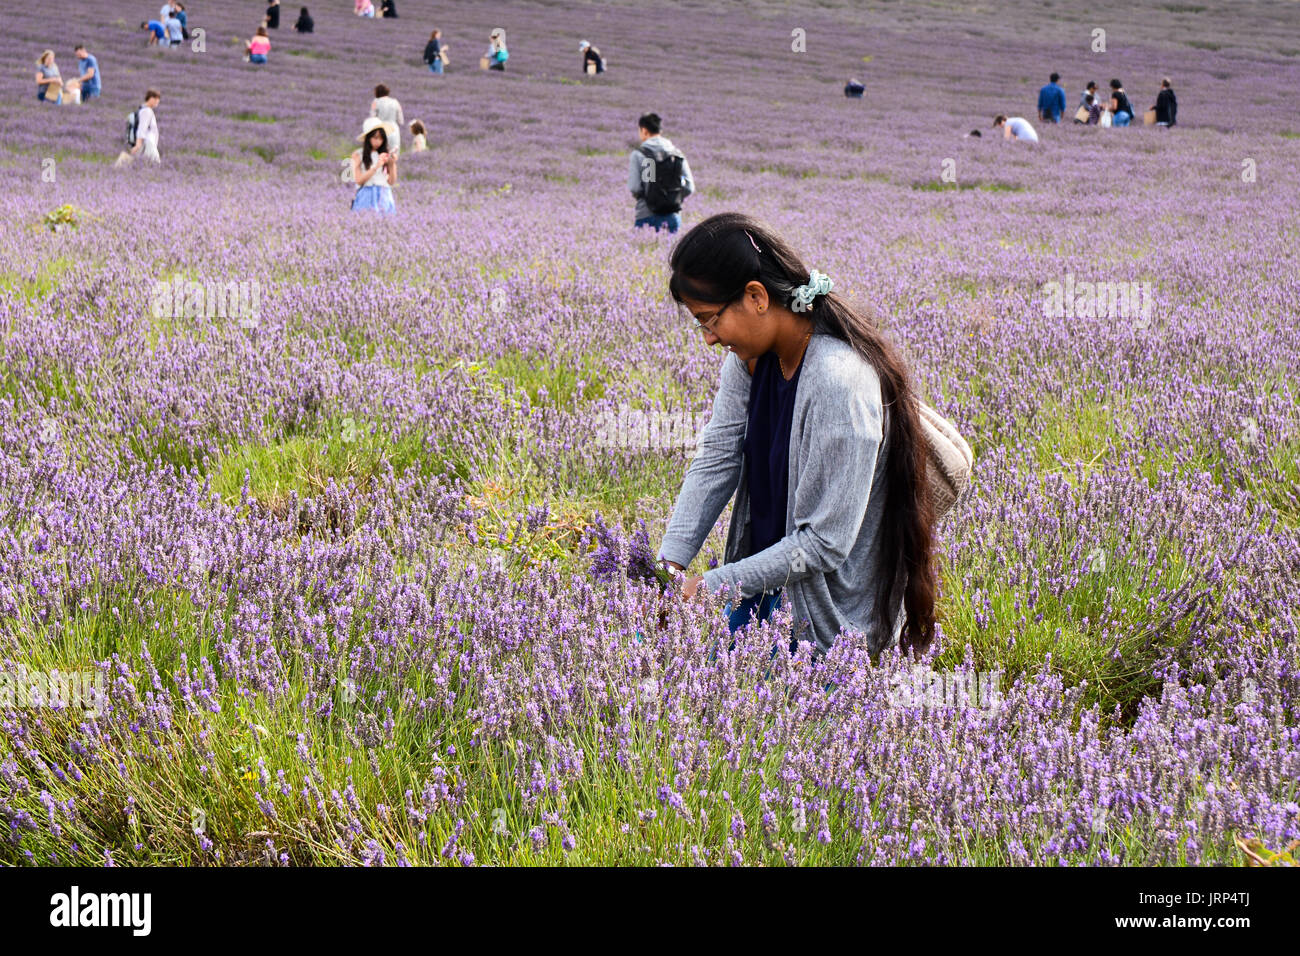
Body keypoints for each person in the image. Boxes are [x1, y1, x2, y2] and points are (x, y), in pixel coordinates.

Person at [656, 213, 936, 657]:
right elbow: (719, 454)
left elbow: (822, 546)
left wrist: (709, 587)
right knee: (643, 661)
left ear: (756, 297)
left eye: (711, 320)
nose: (709, 339)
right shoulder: (751, 358)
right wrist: (669, 564)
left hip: (825, 632)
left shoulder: (838, 384)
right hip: (764, 593)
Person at [628, 112, 694, 232]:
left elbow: (635, 187)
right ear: (660, 130)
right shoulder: (677, 154)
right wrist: (672, 198)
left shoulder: (640, 155)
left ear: (644, 130)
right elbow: (689, 187)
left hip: (646, 215)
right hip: (673, 216)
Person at [350, 117, 397, 212]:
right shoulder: (358, 154)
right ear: (368, 137)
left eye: (381, 138)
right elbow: (359, 180)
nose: (378, 142)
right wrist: (376, 166)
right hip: (366, 195)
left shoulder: (384, 154)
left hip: (384, 195)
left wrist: (392, 164)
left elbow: (391, 182)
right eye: (375, 138)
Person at [121, 89, 162, 164]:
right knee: (156, 165)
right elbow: (142, 128)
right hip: (148, 144)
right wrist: (138, 145)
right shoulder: (146, 111)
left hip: (146, 144)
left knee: (140, 165)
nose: (157, 101)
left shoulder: (143, 110)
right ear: (151, 98)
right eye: (156, 98)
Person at [369, 84, 405, 153]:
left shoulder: (376, 101)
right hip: (394, 130)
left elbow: (372, 118)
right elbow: (401, 121)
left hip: (380, 129)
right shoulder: (395, 102)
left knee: (380, 155)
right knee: (393, 155)